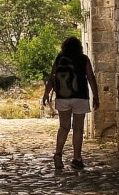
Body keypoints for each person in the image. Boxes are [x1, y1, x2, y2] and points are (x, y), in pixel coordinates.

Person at [41, 36, 99, 171]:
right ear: (79, 47)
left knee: (64, 126)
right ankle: (77, 158)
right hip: (80, 97)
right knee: (78, 129)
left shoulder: (60, 58)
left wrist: (46, 93)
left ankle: (58, 154)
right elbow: (91, 77)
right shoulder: (84, 59)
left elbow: (52, 76)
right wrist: (96, 96)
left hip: (63, 97)